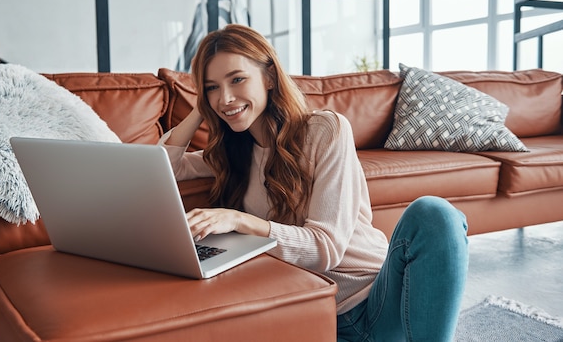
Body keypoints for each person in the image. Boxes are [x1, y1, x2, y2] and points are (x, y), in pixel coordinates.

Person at [159, 24, 468, 341]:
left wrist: (239, 220)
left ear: (268, 77)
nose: (225, 97)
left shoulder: (325, 130)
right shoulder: (232, 152)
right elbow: (161, 168)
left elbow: (326, 248)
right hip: (317, 317)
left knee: (435, 214)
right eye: (212, 87)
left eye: (237, 79)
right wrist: (200, 108)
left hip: (380, 301)